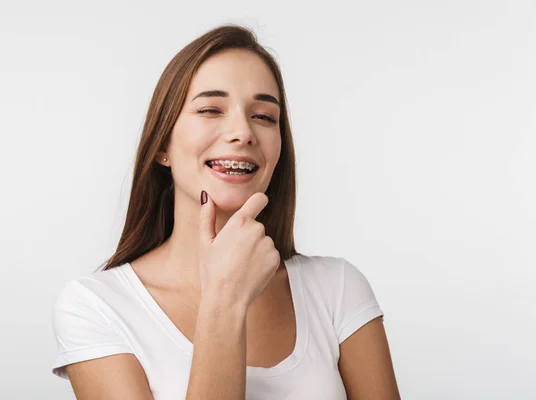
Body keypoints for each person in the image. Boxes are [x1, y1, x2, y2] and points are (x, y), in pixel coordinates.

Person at [51, 24, 401, 399]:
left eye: (264, 116)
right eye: (210, 109)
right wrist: (225, 300)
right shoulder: (97, 307)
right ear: (161, 146)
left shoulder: (337, 289)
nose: (243, 132)